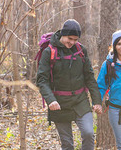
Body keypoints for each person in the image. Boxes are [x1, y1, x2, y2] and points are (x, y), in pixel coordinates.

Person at [36, 19, 102, 150]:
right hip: (59, 103)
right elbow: (42, 80)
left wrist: (97, 101)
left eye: (75, 39)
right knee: (67, 144)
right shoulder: (49, 52)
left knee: (89, 133)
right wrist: (50, 100)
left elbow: (89, 77)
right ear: (63, 34)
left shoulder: (81, 50)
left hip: (80, 100)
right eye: (70, 38)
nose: (72, 42)